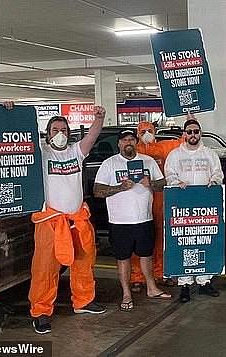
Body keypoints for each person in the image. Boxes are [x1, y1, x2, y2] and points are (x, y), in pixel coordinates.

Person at [26, 105, 107, 335]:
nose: (59, 133)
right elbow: (21, 139)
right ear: (47, 133)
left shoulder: (75, 152)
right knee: (45, 268)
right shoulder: (41, 153)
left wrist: (98, 119)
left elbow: (91, 136)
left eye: (63, 129)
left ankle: (83, 301)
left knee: (83, 262)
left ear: (69, 132)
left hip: (77, 220)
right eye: (55, 129)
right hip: (50, 222)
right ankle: (40, 311)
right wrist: (10, 113)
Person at [93, 129, 172, 311]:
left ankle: (152, 288)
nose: (128, 142)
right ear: (119, 144)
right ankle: (126, 294)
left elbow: (163, 184)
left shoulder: (148, 161)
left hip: (144, 218)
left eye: (131, 139)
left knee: (146, 256)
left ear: (136, 142)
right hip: (119, 221)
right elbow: (97, 191)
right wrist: (119, 188)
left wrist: (150, 183)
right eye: (124, 140)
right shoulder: (109, 164)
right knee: (123, 258)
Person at [164, 117, 224, 303]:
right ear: (184, 134)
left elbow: (218, 173)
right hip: (182, 207)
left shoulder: (210, 154)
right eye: (189, 132)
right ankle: (185, 285)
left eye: (196, 132)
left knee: (204, 241)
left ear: (200, 134)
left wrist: (214, 181)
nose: (193, 135)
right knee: (185, 242)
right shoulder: (175, 155)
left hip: (205, 207)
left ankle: (204, 282)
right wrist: (176, 182)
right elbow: (169, 174)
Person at [128, 121, 183, 292]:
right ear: (137, 134)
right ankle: (137, 277)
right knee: (137, 240)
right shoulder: (132, 150)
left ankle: (159, 273)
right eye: (142, 131)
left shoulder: (163, 148)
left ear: (155, 131)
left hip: (159, 200)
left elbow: (184, 140)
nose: (146, 134)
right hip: (138, 200)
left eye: (149, 131)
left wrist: (191, 116)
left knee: (160, 238)